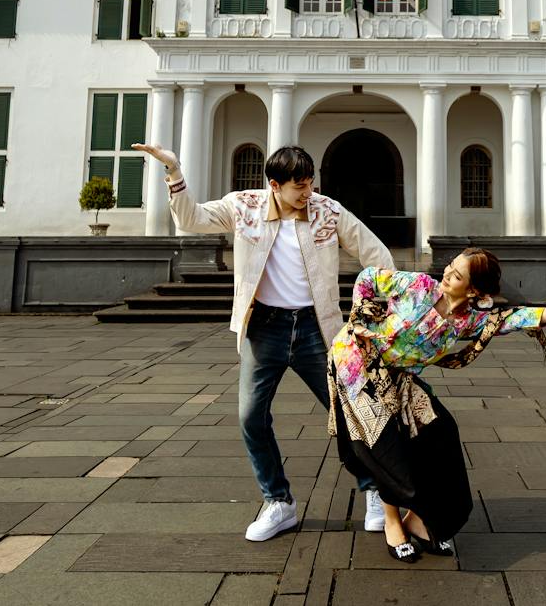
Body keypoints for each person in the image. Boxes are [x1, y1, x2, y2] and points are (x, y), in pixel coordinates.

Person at [133, 141, 395, 542]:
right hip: (264, 329)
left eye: (310, 184)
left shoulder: (328, 211)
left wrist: (378, 309)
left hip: (316, 330)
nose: (307, 193)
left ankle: (375, 492)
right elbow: (192, 219)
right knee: (251, 417)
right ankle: (279, 501)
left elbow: (375, 254)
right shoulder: (245, 206)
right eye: (298, 187)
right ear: (275, 184)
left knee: (349, 415)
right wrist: (173, 171)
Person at [330, 249, 546, 562]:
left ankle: (418, 521)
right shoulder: (417, 286)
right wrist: (361, 314)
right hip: (357, 367)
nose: (446, 274)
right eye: (451, 267)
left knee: (441, 432)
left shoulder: (467, 321)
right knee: (389, 446)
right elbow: (368, 277)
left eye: (456, 275)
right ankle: (392, 523)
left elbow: (514, 318)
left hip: (399, 378)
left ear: (473, 291)